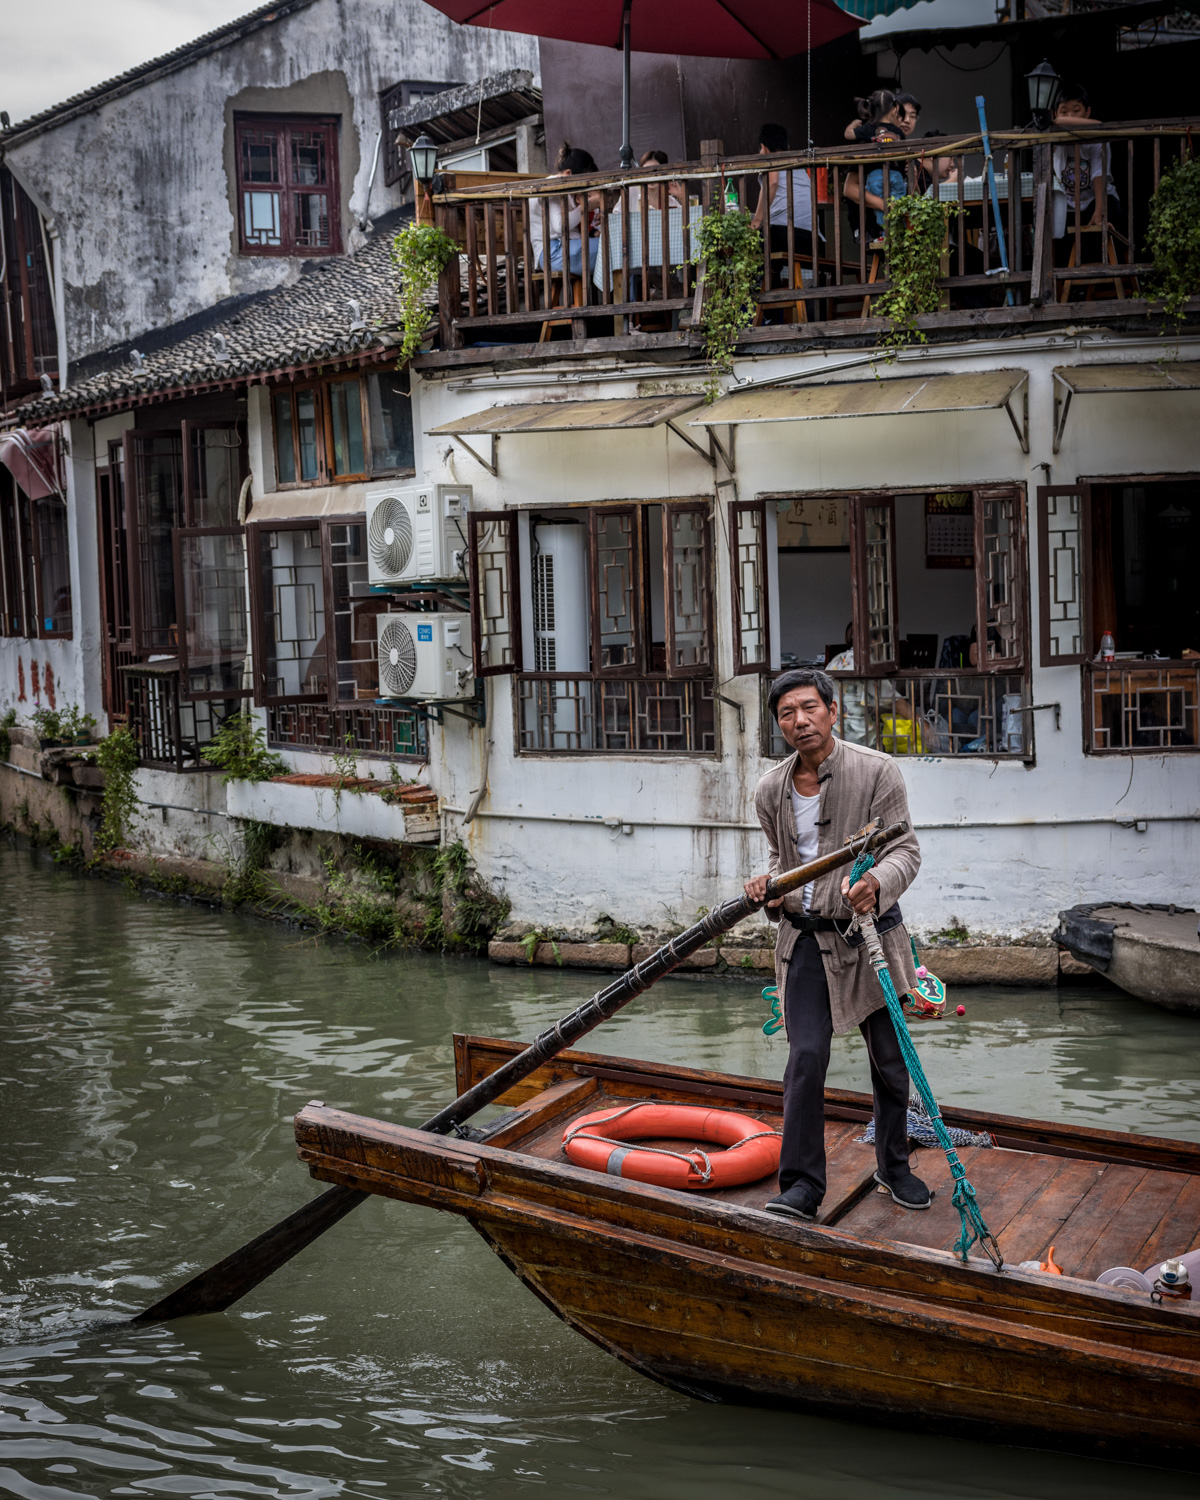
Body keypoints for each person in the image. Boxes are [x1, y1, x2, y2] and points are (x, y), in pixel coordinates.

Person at [745, 669, 929, 1221]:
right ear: (778, 724)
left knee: (890, 1061)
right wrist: (769, 890)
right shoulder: (768, 790)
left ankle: (893, 1166)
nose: (799, 721)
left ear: (832, 710)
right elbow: (783, 863)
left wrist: (876, 884)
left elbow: (907, 852)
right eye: (786, 714)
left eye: (808, 708)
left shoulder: (878, 772)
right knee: (806, 1059)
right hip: (805, 939)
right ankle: (801, 1185)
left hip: (870, 935)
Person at [1051, 84, 1120, 263]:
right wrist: (1098, 125)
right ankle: (1068, 284)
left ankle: (1095, 281)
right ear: (1055, 114)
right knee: (1055, 233)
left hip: (1096, 199)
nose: (1070, 117)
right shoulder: (1054, 139)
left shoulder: (1097, 141)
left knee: (1105, 215)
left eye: (1076, 111)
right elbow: (1058, 124)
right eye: (1064, 111)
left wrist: (1099, 210)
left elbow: (1099, 175)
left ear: (1087, 112)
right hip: (1067, 204)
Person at [527, 144, 602, 277]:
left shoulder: (567, 189)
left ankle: (626, 296)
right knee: (619, 249)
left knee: (621, 250)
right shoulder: (551, 186)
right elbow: (560, 225)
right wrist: (587, 205)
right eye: (585, 180)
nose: (586, 185)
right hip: (553, 253)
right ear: (568, 173)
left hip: (569, 247)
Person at [749, 123, 818, 268]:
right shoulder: (799, 169)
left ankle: (755, 288)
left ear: (764, 148)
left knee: (749, 243)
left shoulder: (772, 161)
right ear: (788, 146)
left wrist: (756, 222)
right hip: (812, 238)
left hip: (784, 235)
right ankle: (771, 284)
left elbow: (773, 182)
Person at [842, 124, 908, 239]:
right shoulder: (866, 140)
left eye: (912, 116)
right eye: (903, 116)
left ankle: (889, 232)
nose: (906, 121)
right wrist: (887, 206)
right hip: (870, 224)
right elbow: (849, 190)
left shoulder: (904, 152)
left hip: (879, 217)